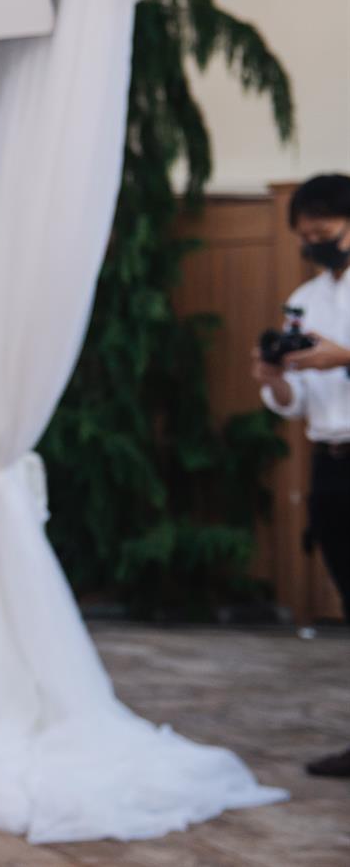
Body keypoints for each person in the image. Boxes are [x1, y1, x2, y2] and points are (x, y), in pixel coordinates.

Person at [252, 172, 350, 779]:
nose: (315, 244)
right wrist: (276, 381)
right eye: (306, 236)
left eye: (325, 232)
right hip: (329, 461)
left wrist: (345, 356)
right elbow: (297, 401)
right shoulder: (304, 299)